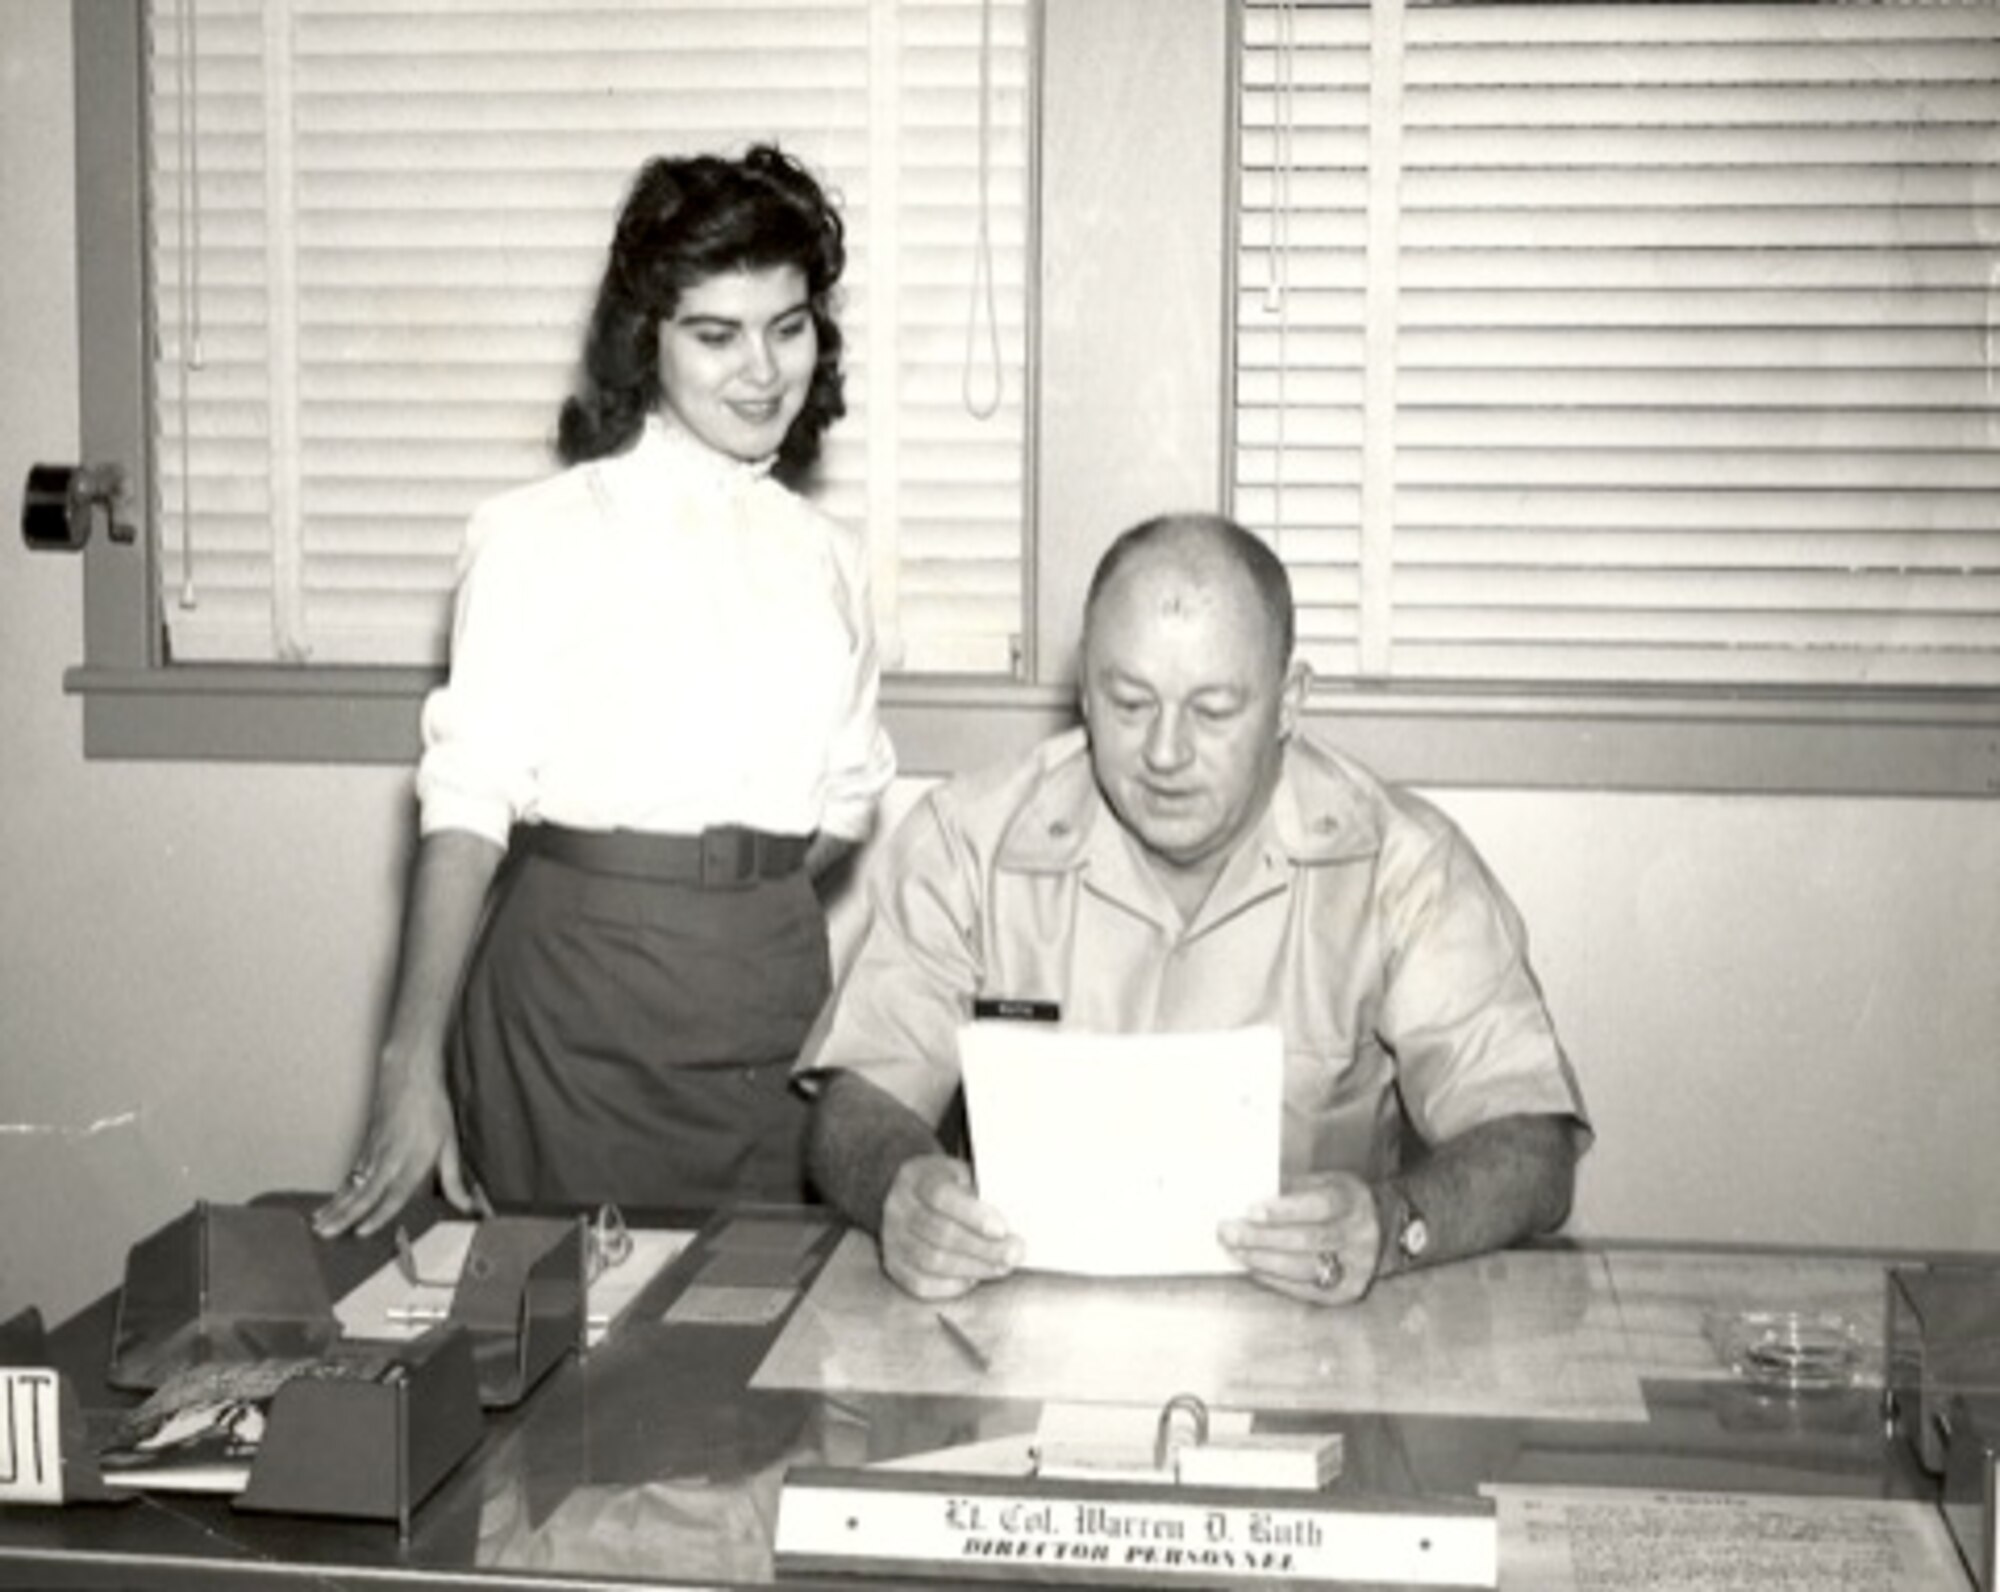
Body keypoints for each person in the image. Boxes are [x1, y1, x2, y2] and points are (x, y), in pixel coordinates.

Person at [316, 145, 894, 1239]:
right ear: (646, 340)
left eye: (787, 327)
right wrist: (410, 1063)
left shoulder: (830, 558)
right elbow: (466, 808)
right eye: (714, 334)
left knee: (765, 1315)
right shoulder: (536, 535)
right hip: (577, 1012)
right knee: (584, 1324)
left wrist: (730, 894)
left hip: (774, 1001)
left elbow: (846, 802)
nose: (762, 370)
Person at [800, 511, 1588, 1306]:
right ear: (1084, 692)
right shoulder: (967, 843)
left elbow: (1533, 1143)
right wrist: (902, 1191)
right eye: (1129, 703)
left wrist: (1394, 1226)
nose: (1165, 753)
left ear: (1288, 702)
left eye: (1213, 711)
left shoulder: (1403, 866)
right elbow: (855, 1102)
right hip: (1023, 1323)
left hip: (1311, 1333)